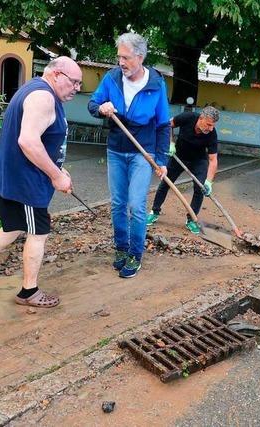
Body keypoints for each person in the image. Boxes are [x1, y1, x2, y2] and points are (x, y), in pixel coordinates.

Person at [0, 56, 81, 308]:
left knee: (13, 226)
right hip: (27, 184)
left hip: (13, 177)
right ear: (57, 74)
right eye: (74, 82)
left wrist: (60, 171)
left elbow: (43, 141)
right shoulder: (43, 97)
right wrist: (56, 176)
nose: (77, 88)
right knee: (38, 233)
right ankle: (29, 292)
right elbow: (28, 142)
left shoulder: (34, 89)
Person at [88, 32, 170, 278]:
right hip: (115, 149)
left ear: (140, 57)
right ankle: (121, 249)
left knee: (136, 205)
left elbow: (163, 124)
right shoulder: (112, 78)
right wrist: (101, 108)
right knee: (117, 204)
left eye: (126, 57)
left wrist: (162, 160)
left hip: (142, 154)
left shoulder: (156, 84)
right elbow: (93, 104)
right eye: (119, 57)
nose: (121, 62)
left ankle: (136, 253)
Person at [147, 107, 220, 234]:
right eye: (208, 124)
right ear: (200, 118)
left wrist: (209, 182)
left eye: (213, 126)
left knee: (200, 189)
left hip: (198, 160)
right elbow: (168, 124)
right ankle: (154, 211)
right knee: (165, 182)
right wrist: (170, 142)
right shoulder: (188, 117)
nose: (210, 128)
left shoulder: (212, 134)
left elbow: (213, 160)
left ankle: (191, 220)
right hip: (179, 156)